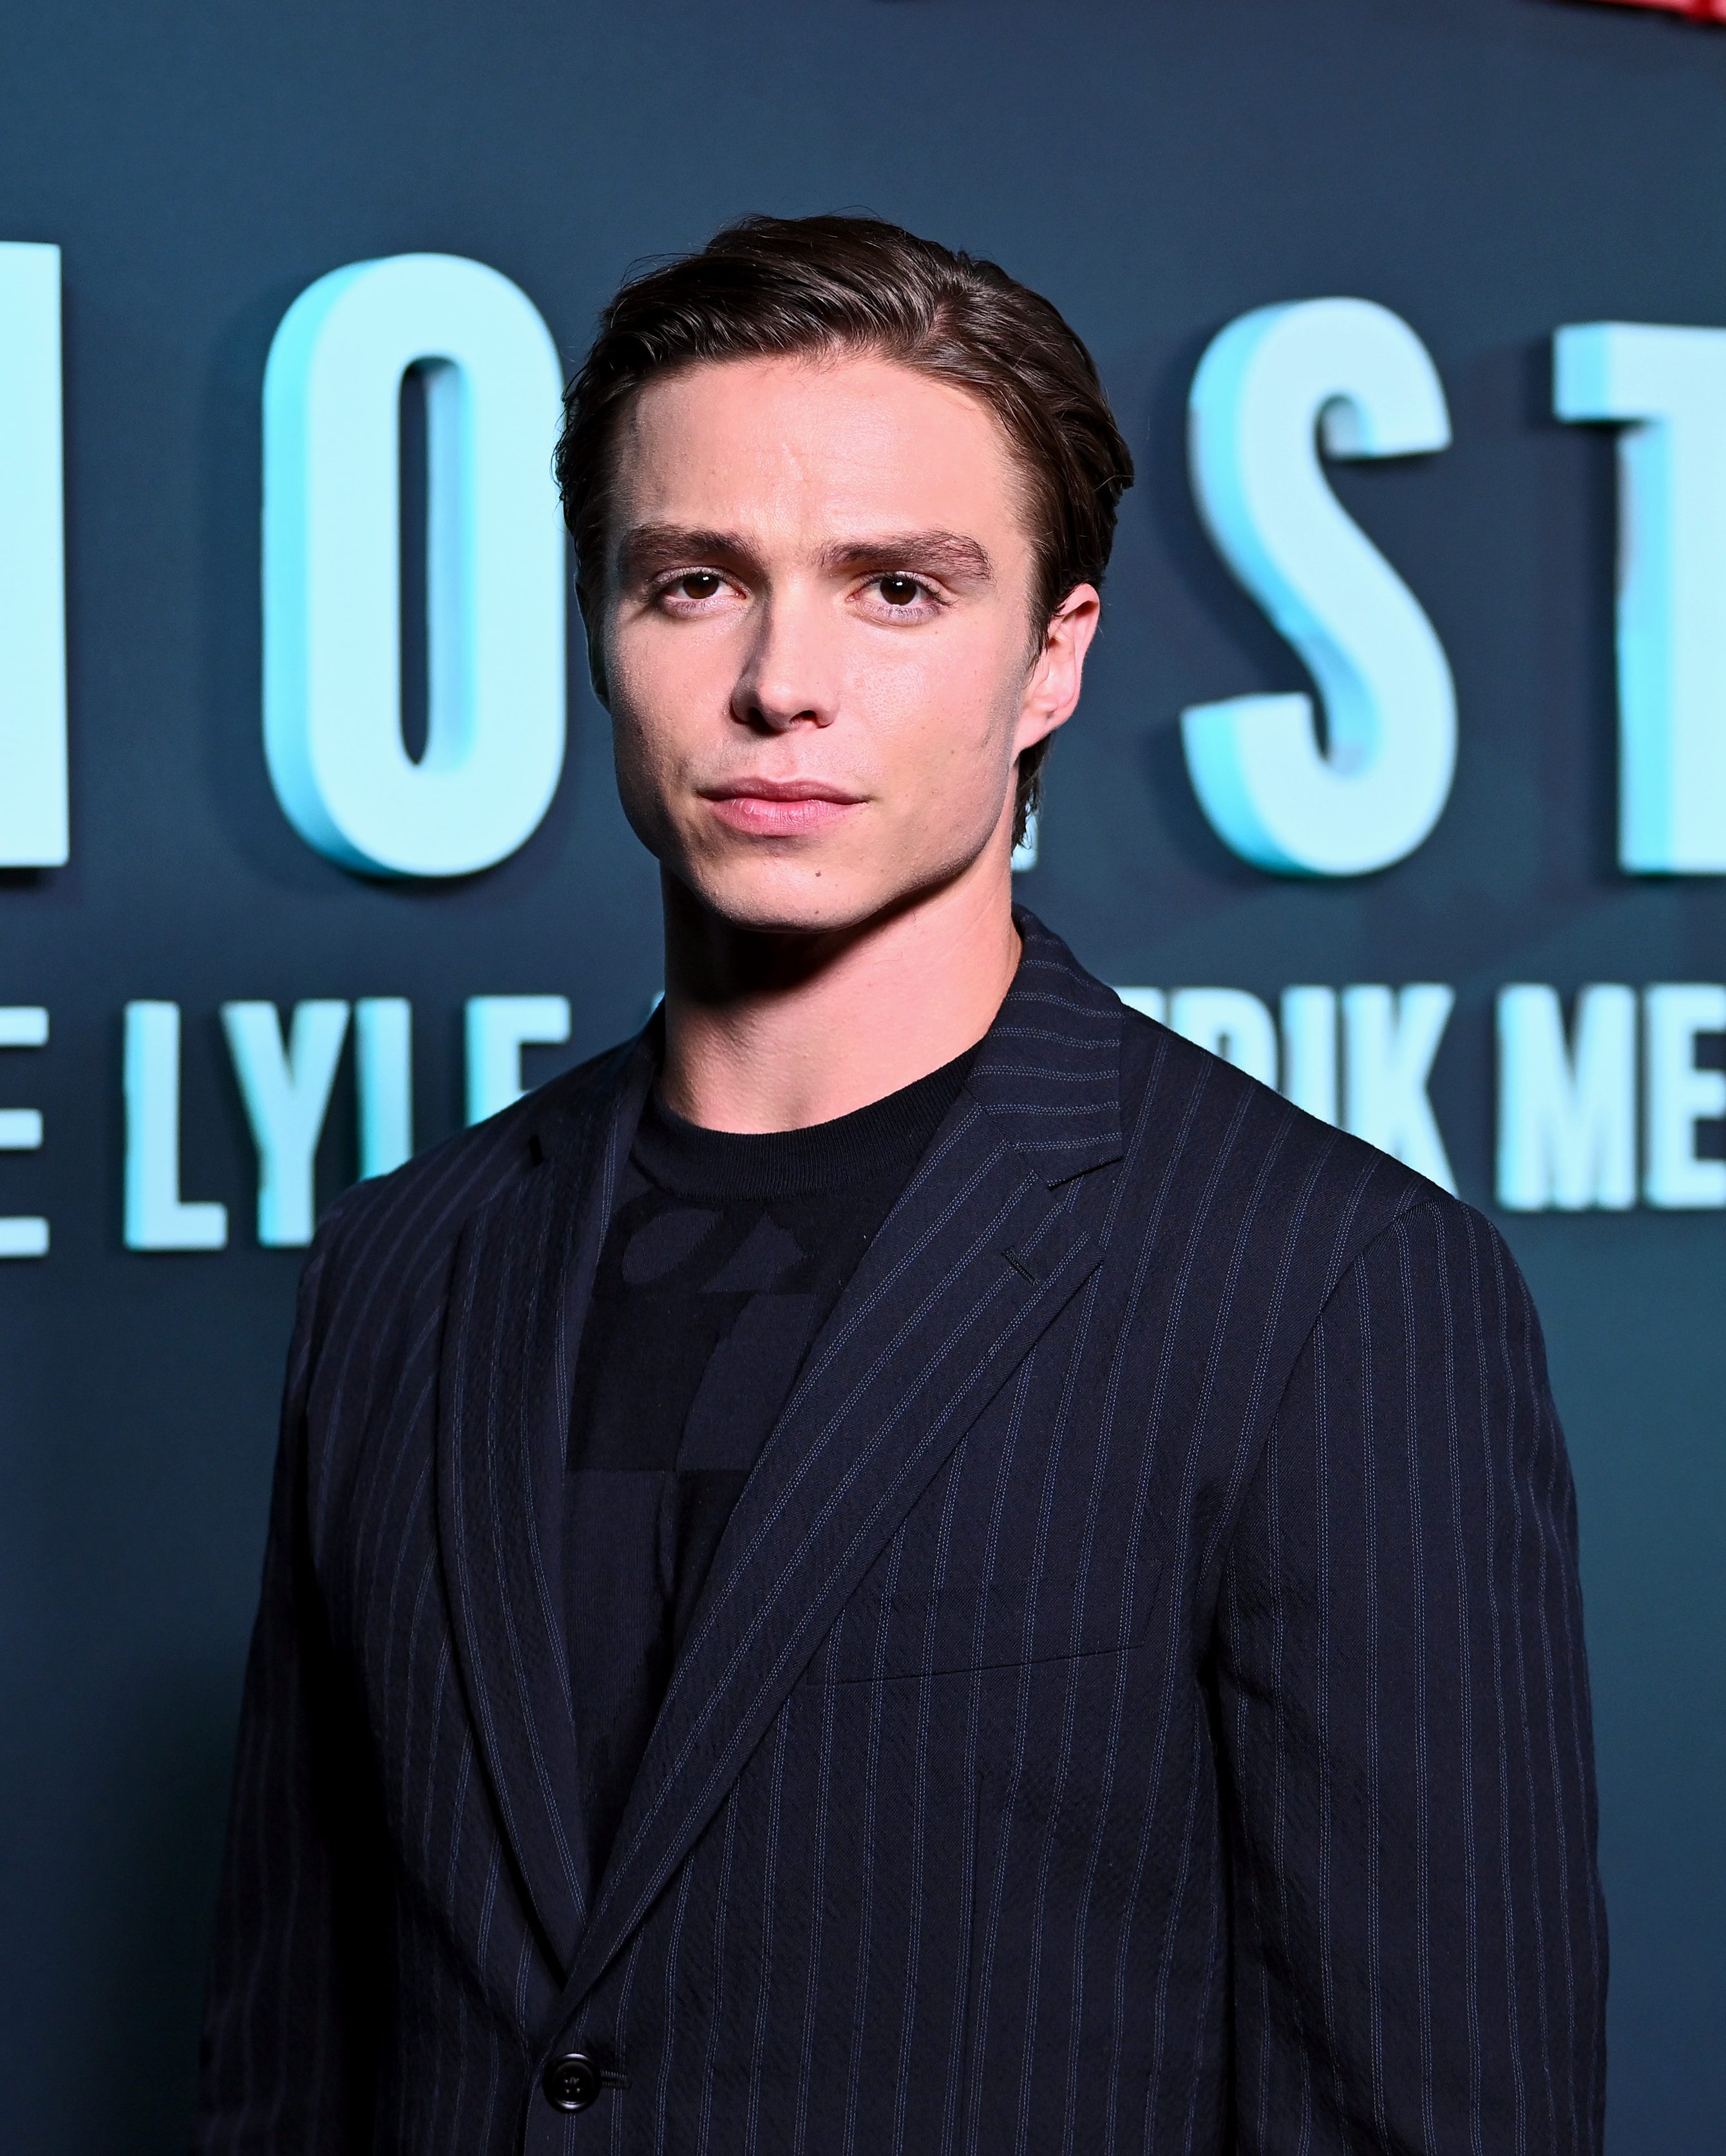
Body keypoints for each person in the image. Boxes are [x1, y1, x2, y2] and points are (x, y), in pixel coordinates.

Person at [193, 215, 1605, 2155]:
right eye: (698, 581)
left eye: (897, 590)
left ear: (1053, 657)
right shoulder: (405, 1259)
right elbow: (291, 2056)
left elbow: (1435, 2109)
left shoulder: (1332, 1281)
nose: (785, 681)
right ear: (600, 624)